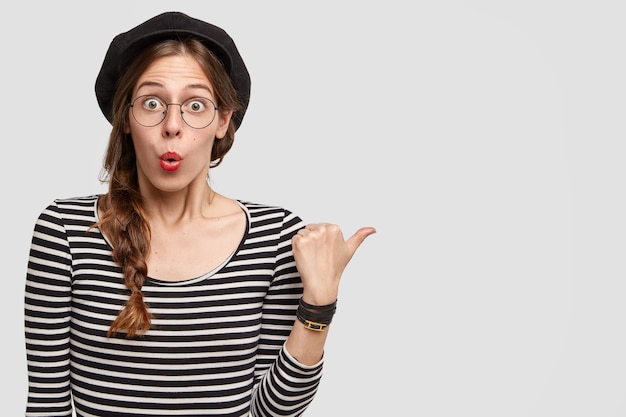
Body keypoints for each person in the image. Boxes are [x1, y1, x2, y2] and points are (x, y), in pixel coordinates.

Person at [23, 11, 375, 417]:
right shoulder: (65, 232)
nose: (172, 126)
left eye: (195, 105)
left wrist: (319, 302)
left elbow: (271, 412)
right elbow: (47, 405)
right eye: (152, 103)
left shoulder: (276, 238)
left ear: (224, 120)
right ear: (125, 118)